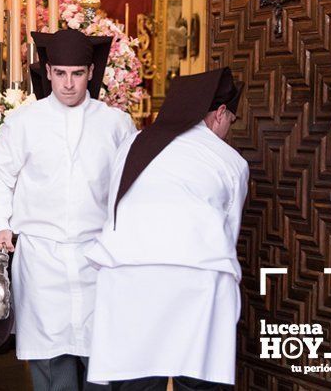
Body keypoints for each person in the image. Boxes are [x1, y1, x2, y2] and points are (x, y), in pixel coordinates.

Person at [0, 29, 136, 391]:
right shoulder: (24, 121)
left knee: (102, 364)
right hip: (41, 260)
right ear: (48, 72)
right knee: (53, 369)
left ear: (90, 73)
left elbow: (131, 186)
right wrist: (1, 225)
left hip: (97, 258)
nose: (69, 84)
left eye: (78, 74)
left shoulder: (116, 124)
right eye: (61, 73)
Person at [85, 67, 248, 391]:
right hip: (197, 282)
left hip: (128, 278)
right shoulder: (230, 162)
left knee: (136, 379)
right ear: (219, 114)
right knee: (199, 378)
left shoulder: (133, 144)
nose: (228, 129)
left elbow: (113, 208)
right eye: (231, 120)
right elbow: (229, 234)